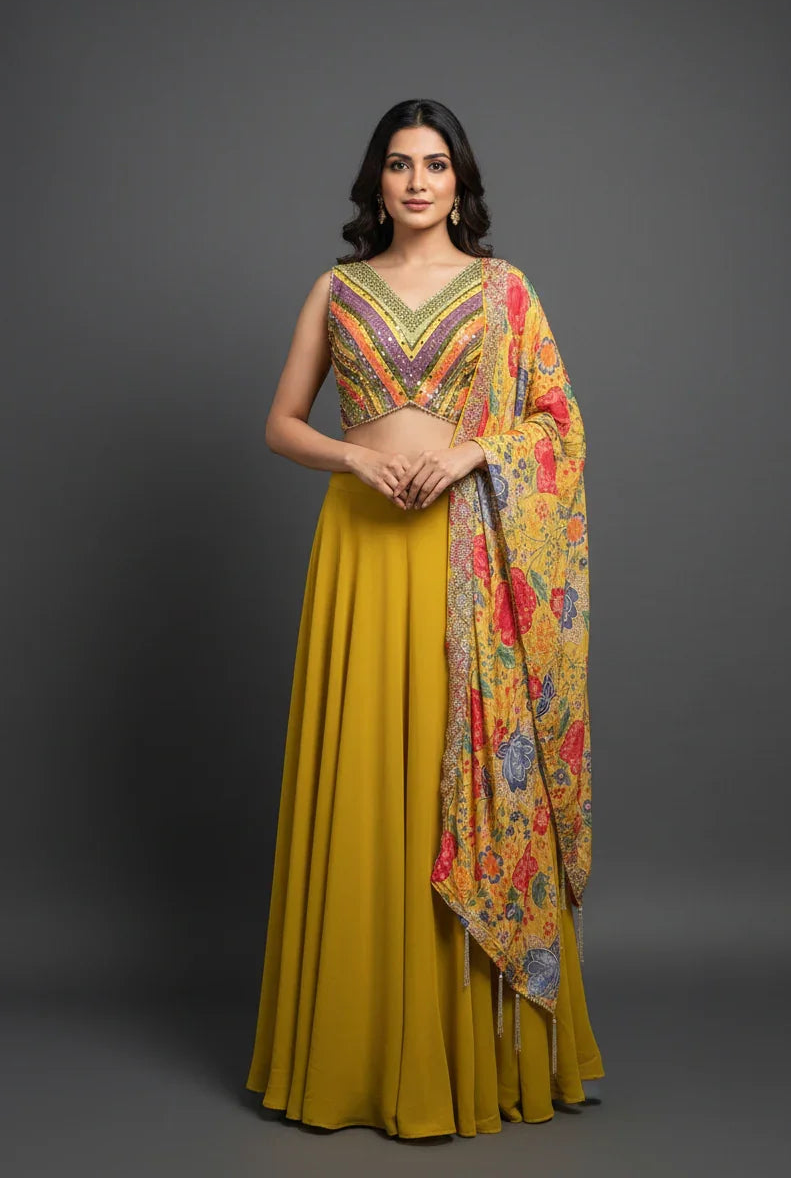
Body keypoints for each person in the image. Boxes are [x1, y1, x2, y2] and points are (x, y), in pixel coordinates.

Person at [245, 99, 605, 1139]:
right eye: (398, 164)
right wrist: (355, 455)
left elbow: (557, 422)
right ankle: (350, 1052)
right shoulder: (337, 287)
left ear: (460, 182)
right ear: (376, 181)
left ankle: (473, 1060)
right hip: (361, 553)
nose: (415, 181)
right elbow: (278, 423)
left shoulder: (505, 292)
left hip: (468, 558)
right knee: (365, 784)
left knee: (465, 786)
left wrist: (467, 452)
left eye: (434, 164)